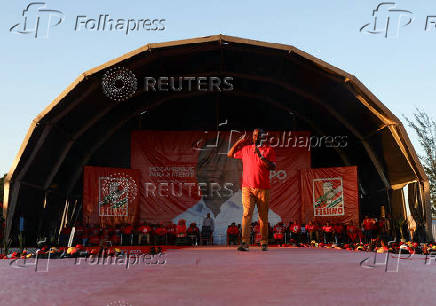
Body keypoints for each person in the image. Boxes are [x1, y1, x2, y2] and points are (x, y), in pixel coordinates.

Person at [227, 128, 276, 252]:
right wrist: (238, 142)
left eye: (259, 135)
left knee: (263, 217)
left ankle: (264, 242)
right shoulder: (246, 149)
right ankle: (245, 243)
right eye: (254, 135)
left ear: (264, 136)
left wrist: (262, 157)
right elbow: (230, 154)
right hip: (247, 187)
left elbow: (273, 166)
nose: (256, 136)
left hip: (263, 188)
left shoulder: (269, 149)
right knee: (246, 214)